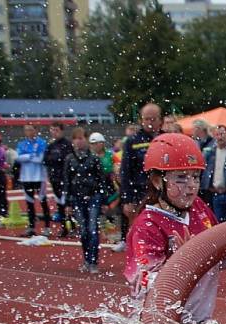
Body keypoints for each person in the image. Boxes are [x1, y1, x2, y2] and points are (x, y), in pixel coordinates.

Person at [124, 134, 220, 324]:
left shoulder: (198, 207)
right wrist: (184, 260)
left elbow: (224, 249)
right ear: (158, 181)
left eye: (195, 176)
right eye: (181, 178)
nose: (192, 186)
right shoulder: (146, 226)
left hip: (196, 321)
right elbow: (144, 283)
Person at [63, 128, 108, 274]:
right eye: (76, 138)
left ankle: (93, 261)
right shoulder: (69, 159)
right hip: (77, 199)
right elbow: (67, 182)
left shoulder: (94, 159)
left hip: (93, 197)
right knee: (83, 231)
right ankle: (87, 259)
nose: (79, 141)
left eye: (81, 138)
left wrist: (104, 201)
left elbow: (102, 180)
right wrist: (68, 203)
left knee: (93, 230)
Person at [119, 103, 162, 250]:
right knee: (141, 230)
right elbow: (125, 171)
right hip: (140, 194)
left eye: (153, 119)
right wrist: (127, 199)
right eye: (147, 119)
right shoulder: (132, 141)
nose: (150, 122)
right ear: (141, 120)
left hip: (163, 194)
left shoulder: (166, 138)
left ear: (160, 120)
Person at [16, 124, 50, 237]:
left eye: (30, 129)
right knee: (29, 203)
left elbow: (40, 159)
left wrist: (26, 156)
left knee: (43, 202)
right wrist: (31, 156)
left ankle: (47, 227)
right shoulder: (21, 143)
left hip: (39, 177)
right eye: (26, 130)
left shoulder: (41, 143)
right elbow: (18, 158)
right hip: (26, 177)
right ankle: (31, 227)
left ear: (36, 130)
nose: (28, 132)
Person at [43, 122, 74, 236]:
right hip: (54, 178)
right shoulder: (51, 145)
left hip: (65, 178)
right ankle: (64, 227)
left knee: (68, 203)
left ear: (61, 131)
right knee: (60, 204)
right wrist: (55, 159)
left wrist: (56, 159)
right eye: (52, 130)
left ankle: (73, 226)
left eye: (56, 130)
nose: (54, 132)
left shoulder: (67, 144)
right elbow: (45, 160)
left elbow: (66, 159)